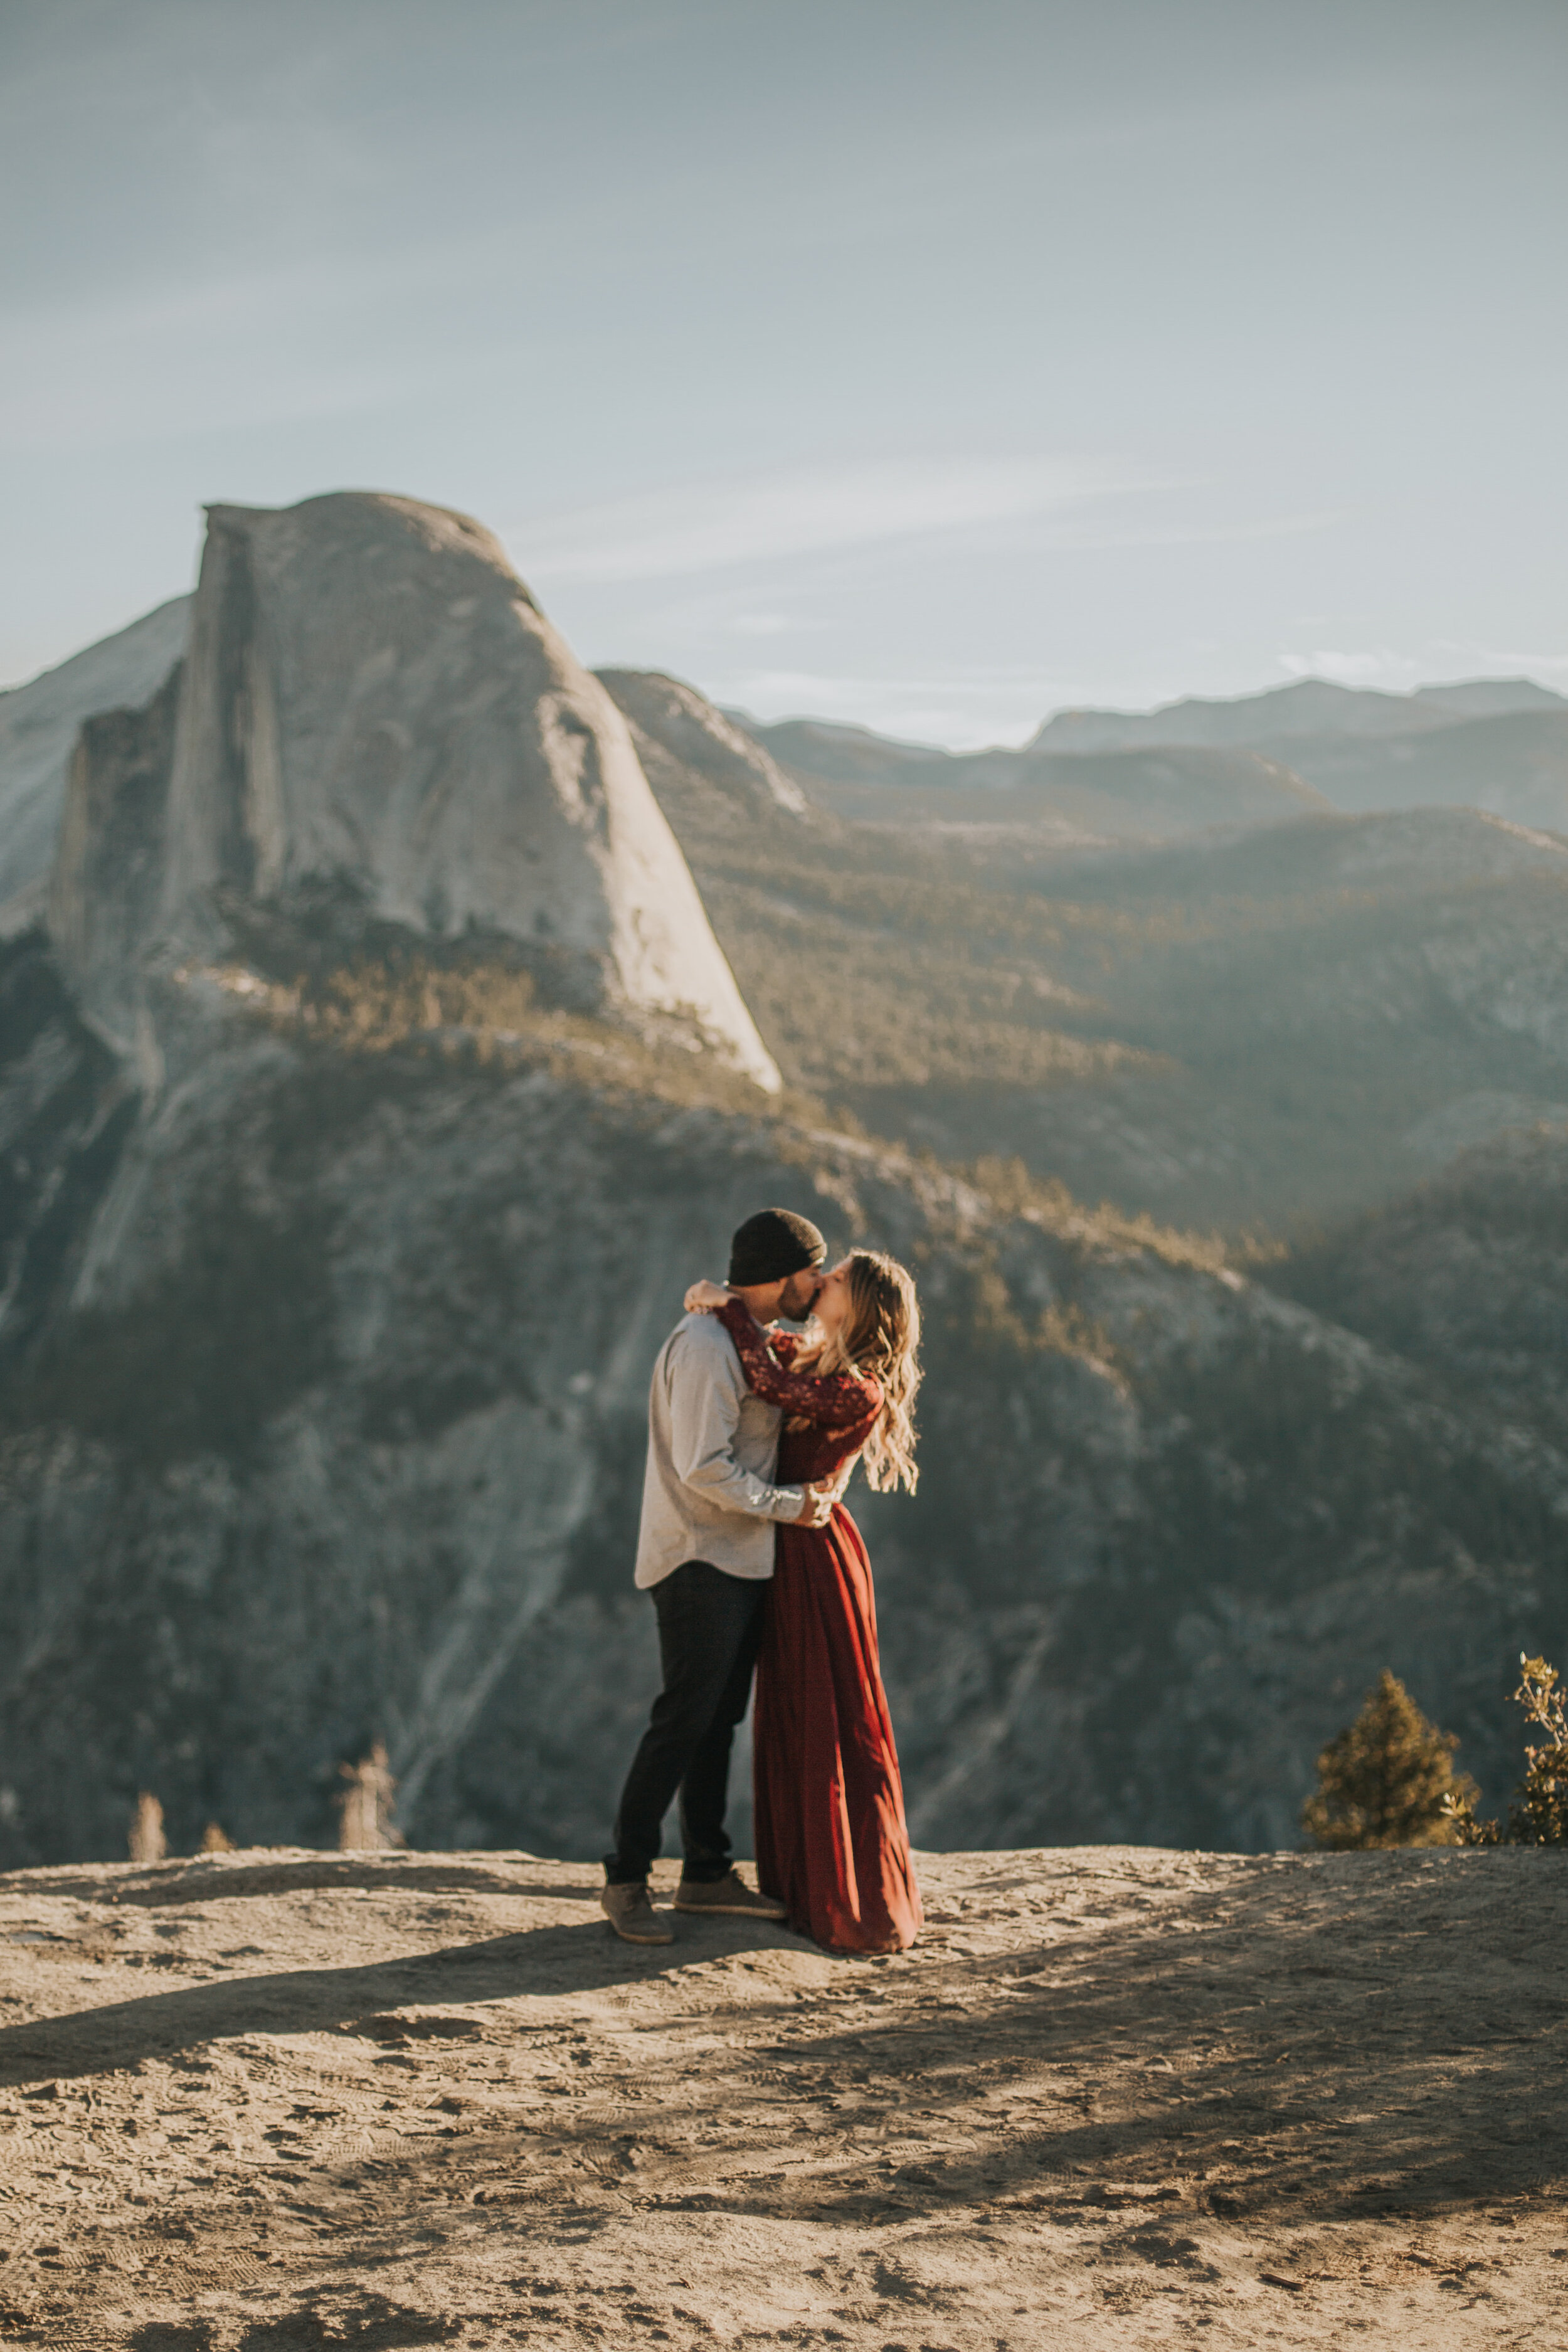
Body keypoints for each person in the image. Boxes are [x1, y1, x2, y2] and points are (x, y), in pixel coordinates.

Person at [601, 1207, 837, 1945]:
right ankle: (626, 1879)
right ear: (779, 1275)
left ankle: (704, 1871)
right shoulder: (708, 1347)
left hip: (731, 1554)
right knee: (683, 1719)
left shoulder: (743, 1334)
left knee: (714, 1722)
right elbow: (702, 1468)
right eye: (811, 1270)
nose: (820, 1282)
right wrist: (791, 1507)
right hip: (699, 1556)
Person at [684, 1250, 923, 1955]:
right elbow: (764, 1347)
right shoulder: (816, 1359)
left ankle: (848, 1898)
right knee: (792, 1709)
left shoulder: (859, 1389)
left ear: (860, 1305)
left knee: (825, 1711)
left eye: (837, 1277)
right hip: (788, 1542)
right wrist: (724, 1298)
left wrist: (725, 1306)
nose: (821, 1282)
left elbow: (759, 1372)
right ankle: (805, 1883)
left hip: (814, 1554)